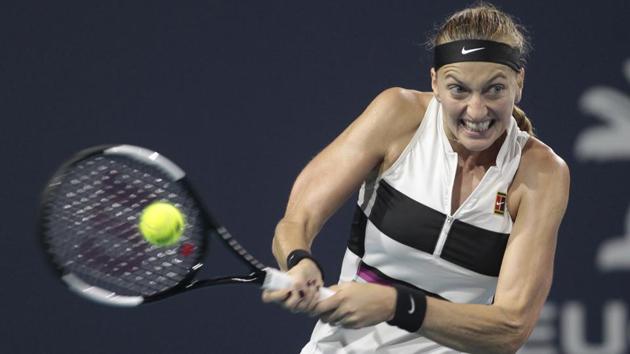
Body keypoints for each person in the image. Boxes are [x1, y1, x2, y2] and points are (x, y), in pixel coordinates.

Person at [262, 3, 570, 353]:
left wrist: (396, 305)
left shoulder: (541, 173)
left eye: (494, 90)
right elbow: (296, 220)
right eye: (459, 90)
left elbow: (510, 328)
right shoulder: (397, 115)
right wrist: (299, 261)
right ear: (435, 82)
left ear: (519, 83)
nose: (477, 110)